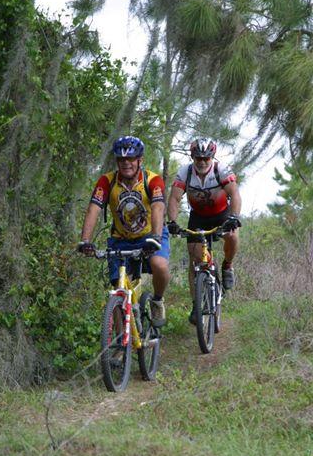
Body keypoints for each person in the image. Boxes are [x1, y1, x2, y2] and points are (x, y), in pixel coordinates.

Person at [78, 135, 170, 327]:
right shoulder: (107, 181)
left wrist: (154, 236)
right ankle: (121, 344)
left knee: (159, 265)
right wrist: (85, 240)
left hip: (150, 234)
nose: (126, 163)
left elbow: (159, 208)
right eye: (121, 159)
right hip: (121, 238)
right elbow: (93, 208)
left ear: (140, 160)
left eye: (130, 159)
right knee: (118, 287)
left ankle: (157, 300)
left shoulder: (153, 180)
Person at [167, 138, 241, 325]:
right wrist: (173, 221)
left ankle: (227, 266)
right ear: (192, 157)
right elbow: (174, 199)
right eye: (198, 158)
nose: (202, 162)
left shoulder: (221, 170)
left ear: (212, 157)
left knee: (232, 236)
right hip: (198, 217)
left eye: (206, 158)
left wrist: (234, 217)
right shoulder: (185, 172)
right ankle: (196, 304)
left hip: (221, 214)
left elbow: (235, 194)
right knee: (195, 260)